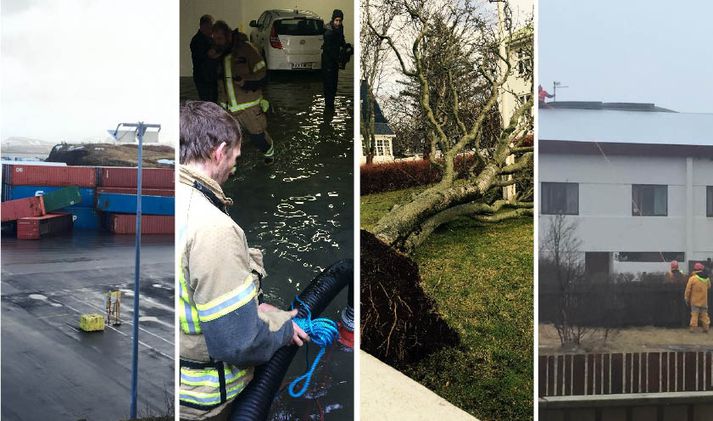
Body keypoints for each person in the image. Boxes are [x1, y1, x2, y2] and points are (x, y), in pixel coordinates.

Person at [178, 101, 309, 420]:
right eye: (235, 158)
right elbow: (238, 345)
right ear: (219, 151)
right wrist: (281, 328)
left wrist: (248, 309)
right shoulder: (213, 228)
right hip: (204, 404)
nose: (234, 168)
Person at [213, 22, 275, 164]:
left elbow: (263, 73)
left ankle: (269, 152)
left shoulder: (246, 49)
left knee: (258, 137)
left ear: (228, 35)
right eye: (214, 39)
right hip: (227, 108)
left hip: (249, 107)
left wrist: (246, 81)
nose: (217, 42)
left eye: (220, 39)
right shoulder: (218, 53)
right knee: (227, 141)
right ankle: (229, 166)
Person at [190, 15, 219, 102]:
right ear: (203, 26)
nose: (211, 30)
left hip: (212, 76)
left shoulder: (210, 39)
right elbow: (208, 55)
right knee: (207, 103)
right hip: (203, 78)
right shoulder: (197, 40)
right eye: (210, 27)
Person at [321, 9, 346, 108]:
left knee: (334, 85)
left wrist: (345, 47)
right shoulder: (328, 30)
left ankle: (330, 105)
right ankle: (329, 105)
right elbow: (329, 48)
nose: (338, 23)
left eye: (340, 21)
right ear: (333, 19)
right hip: (328, 61)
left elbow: (341, 40)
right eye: (336, 20)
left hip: (334, 61)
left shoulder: (339, 28)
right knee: (328, 85)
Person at [684, 262, 711, 333]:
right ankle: (706, 328)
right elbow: (709, 286)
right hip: (704, 301)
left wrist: (686, 298)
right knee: (704, 315)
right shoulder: (707, 279)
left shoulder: (692, 278)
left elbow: (688, 289)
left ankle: (693, 329)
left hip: (695, 301)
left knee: (694, 315)